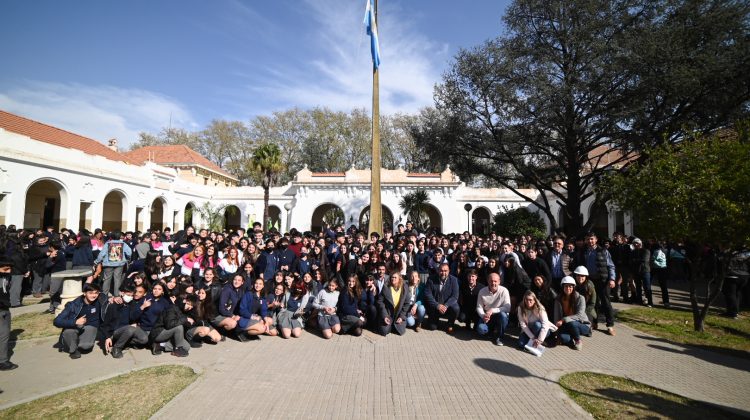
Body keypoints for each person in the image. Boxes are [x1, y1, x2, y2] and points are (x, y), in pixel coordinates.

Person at [574, 232, 616, 336]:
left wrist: (612, 279)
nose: (590, 241)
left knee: (606, 303)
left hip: (602, 280)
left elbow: (611, 266)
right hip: (589, 281)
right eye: (588, 239)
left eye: (592, 239)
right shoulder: (583, 251)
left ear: (596, 239)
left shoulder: (603, 251)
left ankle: (610, 325)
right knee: (593, 302)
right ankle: (594, 322)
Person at [53, 283, 104, 359]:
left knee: (85, 347)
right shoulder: (73, 305)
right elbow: (56, 321)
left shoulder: (101, 299)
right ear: (84, 293)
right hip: (76, 326)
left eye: (96, 293)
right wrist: (75, 322)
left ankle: (80, 341)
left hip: (90, 327)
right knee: (68, 331)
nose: (94, 295)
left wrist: (114, 298)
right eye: (90, 293)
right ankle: (73, 350)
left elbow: (107, 297)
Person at [100, 284, 148, 358]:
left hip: (128, 329)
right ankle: (117, 347)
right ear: (122, 293)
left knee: (144, 339)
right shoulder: (113, 305)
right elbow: (104, 324)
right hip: (115, 331)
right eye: (128, 295)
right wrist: (107, 337)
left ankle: (124, 342)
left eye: (132, 296)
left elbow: (133, 317)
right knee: (130, 329)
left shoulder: (132, 304)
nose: (130, 297)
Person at [553, 276, 591, 350]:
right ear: (562, 287)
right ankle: (572, 337)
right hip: (567, 324)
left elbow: (579, 315)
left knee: (572, 322)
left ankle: (578, 340)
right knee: (563, 338)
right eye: (566, 286)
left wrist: (563, 320)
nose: (568, 288)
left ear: (573, 287)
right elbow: (556, 316)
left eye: (570, 286)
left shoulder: (580, 298)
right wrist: (556, 332)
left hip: (582, 324)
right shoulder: (558, 299)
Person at [423, 263, 460, 333]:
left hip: (447, 307)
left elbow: (455, 296)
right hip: (435, 307)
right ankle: (435, 320)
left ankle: (450, 324)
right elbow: (428, 294)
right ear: (438, 270)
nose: (443, 273)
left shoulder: (454, 280)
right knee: (432, 327)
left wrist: (446, 305)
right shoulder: (431, 279)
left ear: (449, 271)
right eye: (441, 270)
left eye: (445, 271)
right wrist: (437, 305)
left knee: (456, 308)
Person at [476, 272, 511, 346]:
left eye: (495, 281)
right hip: (487, 316)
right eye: (491, 281)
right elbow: (479, 307)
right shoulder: (482, 291)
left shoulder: (504, 291)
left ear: (499, 281)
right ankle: (493, 332)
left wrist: (492, 310)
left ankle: (498, 337)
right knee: (481, 330)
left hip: (499, 315)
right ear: (488, 281)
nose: (493, 283)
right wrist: (483, 316)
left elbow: (508, 308)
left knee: (503, 316)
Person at [94, 232, 132, 297]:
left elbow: (102, 254)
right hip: (119, 263)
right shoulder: (123, 243)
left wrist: (97, 261)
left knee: (107, 279)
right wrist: (127, 258)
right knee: (117, 279)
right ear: (120, 237)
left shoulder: (108, 243)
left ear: (111, 237)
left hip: (108, 264)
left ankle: (104, 294)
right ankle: (116, 294)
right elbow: (129, 252)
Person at [0, 256, 18, 369]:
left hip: (5, 308)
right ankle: (2, 361)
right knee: (3, 335)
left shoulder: (7, 278)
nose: (9, 272)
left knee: (5, 335)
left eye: (10, 269)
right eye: (5, 269)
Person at [630, 238, 652, 307]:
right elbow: (630, 261)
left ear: (640, 244)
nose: (635, 244)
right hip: (636, 271)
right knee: (638, 287)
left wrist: (635, 260)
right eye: (634, 243)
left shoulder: (646, 251)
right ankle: (639, 301)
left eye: (637, 243)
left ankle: (650, 302)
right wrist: (636, 260)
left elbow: (644, 260)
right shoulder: (633, 252)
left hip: (645, 271)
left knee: (647, 287)